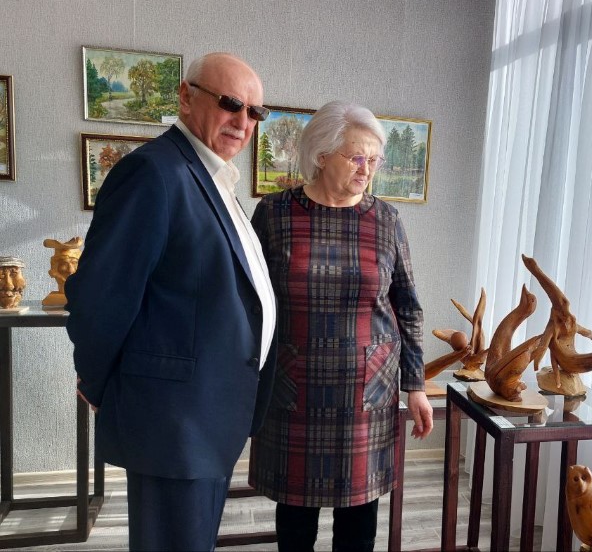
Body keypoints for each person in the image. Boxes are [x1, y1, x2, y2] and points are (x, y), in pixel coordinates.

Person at [65, 52, 276, 551]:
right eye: (230, 104)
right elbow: (101, 294)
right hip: (175, 422)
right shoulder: (153, 172)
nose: (243, 122)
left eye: (255, 112)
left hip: (207, 414)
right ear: (186, 96)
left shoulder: (213, 177)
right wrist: (97, 381)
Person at [248, 100, 434, 552]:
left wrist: (416, 385)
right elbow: (248, 304)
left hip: (367, 391)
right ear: (321, 155)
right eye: (356, 157)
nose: (367, 169)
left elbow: (407, 306)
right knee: (295, 522)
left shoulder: (386, 220)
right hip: (294, 385)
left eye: (374, 159)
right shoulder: (273, 214)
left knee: (359, 524)